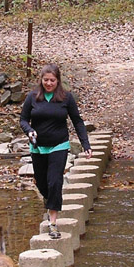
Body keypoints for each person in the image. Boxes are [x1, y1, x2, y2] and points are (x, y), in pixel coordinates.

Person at [20, 64, 92, 238]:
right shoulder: (32, 97)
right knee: (43, 184)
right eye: (46, 80)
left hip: (59, 145)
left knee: (55, 182)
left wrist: (85, 144)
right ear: (41, 80)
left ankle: (52, 223)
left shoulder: (66, 98)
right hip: (38, 147)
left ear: (58, 81)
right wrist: (29, 130)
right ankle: (48, 198)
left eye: (52, 80)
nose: (49, 83)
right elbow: (23, 120)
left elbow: (77, 121)